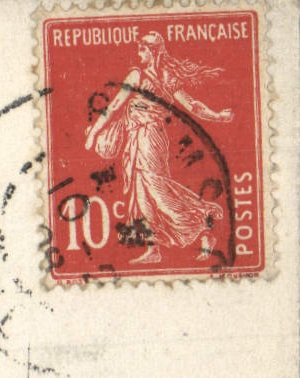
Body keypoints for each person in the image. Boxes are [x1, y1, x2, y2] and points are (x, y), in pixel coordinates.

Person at [84, 31, 233, 265]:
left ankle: (203, 222)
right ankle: (154, 249)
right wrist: (94, 132)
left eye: (142, 50)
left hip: (151, 138)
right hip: (136, 139)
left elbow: (191, 105)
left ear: (153, 51)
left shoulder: (159, 77)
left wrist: (217, 116)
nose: (139, 54)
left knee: (157, 191)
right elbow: (114, 106)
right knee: (141, 194)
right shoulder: (139, 75)